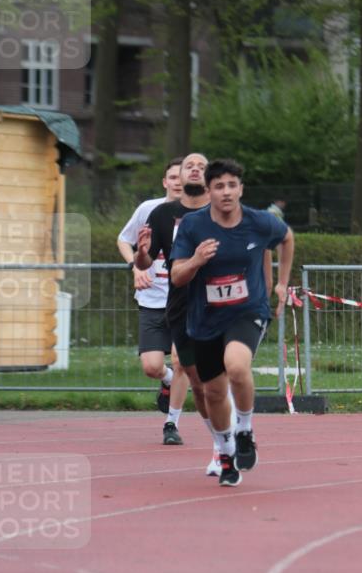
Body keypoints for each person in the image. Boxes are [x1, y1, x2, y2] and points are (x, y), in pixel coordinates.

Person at [170, 158, 294, 487]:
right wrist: (196, 260)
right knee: (212, 391)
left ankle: (246, 429)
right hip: (205, 318)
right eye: (219, 186)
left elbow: (287, 238)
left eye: (232, 186)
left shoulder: (259, 222)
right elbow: (177, 276)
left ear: (241, 189)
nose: (226, 192)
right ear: (209, 191)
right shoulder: (193, 226)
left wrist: (281, 283)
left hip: (247, 310)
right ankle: (225, 452)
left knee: (237, 367)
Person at [134, 153, 233, 475]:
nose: (192, 169)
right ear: (177, 175)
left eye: (201, 166)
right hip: (178, 305)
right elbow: (148, 264)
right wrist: (142, 255)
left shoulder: (222, 211)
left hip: (216, 305)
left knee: (217, 379)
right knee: (198, 384)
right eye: (187, 165)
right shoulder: (163, 214)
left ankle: (226, 442)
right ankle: (221, 441)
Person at [117, 158, 190, 445]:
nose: (177, 181)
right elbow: (124, 240)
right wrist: (135, 268)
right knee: (151, 366)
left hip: (183, 300)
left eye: (181, 176)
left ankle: (171, 423)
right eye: (172, 177)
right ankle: (168, 382)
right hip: (151, 298)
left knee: (181, 360)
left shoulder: (199, 214)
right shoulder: (149, 210)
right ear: (165, 182)